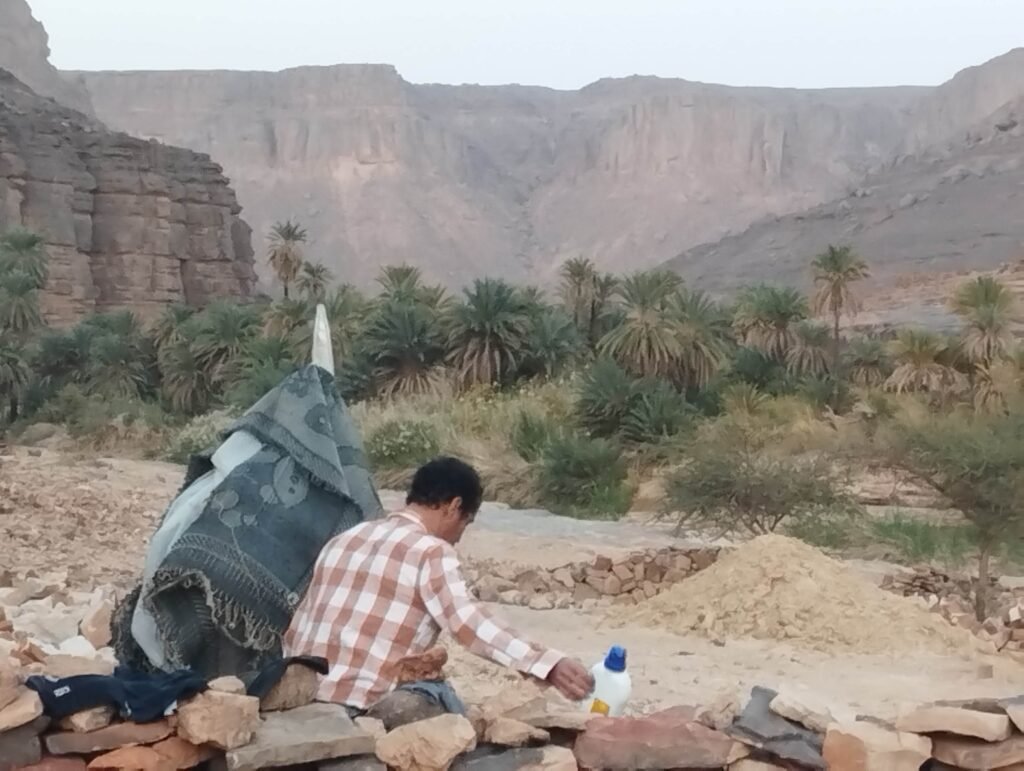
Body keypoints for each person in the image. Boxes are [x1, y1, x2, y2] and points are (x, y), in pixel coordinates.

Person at [283, 456, 594, 723]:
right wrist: (546, 664)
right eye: (465, 524)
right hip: (362, 704)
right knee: (441, 693)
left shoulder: (345, 539)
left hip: (304, 696)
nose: (458, 537)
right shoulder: (430, 551)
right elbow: (469, 624)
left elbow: (297, 628)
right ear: (454, 507)